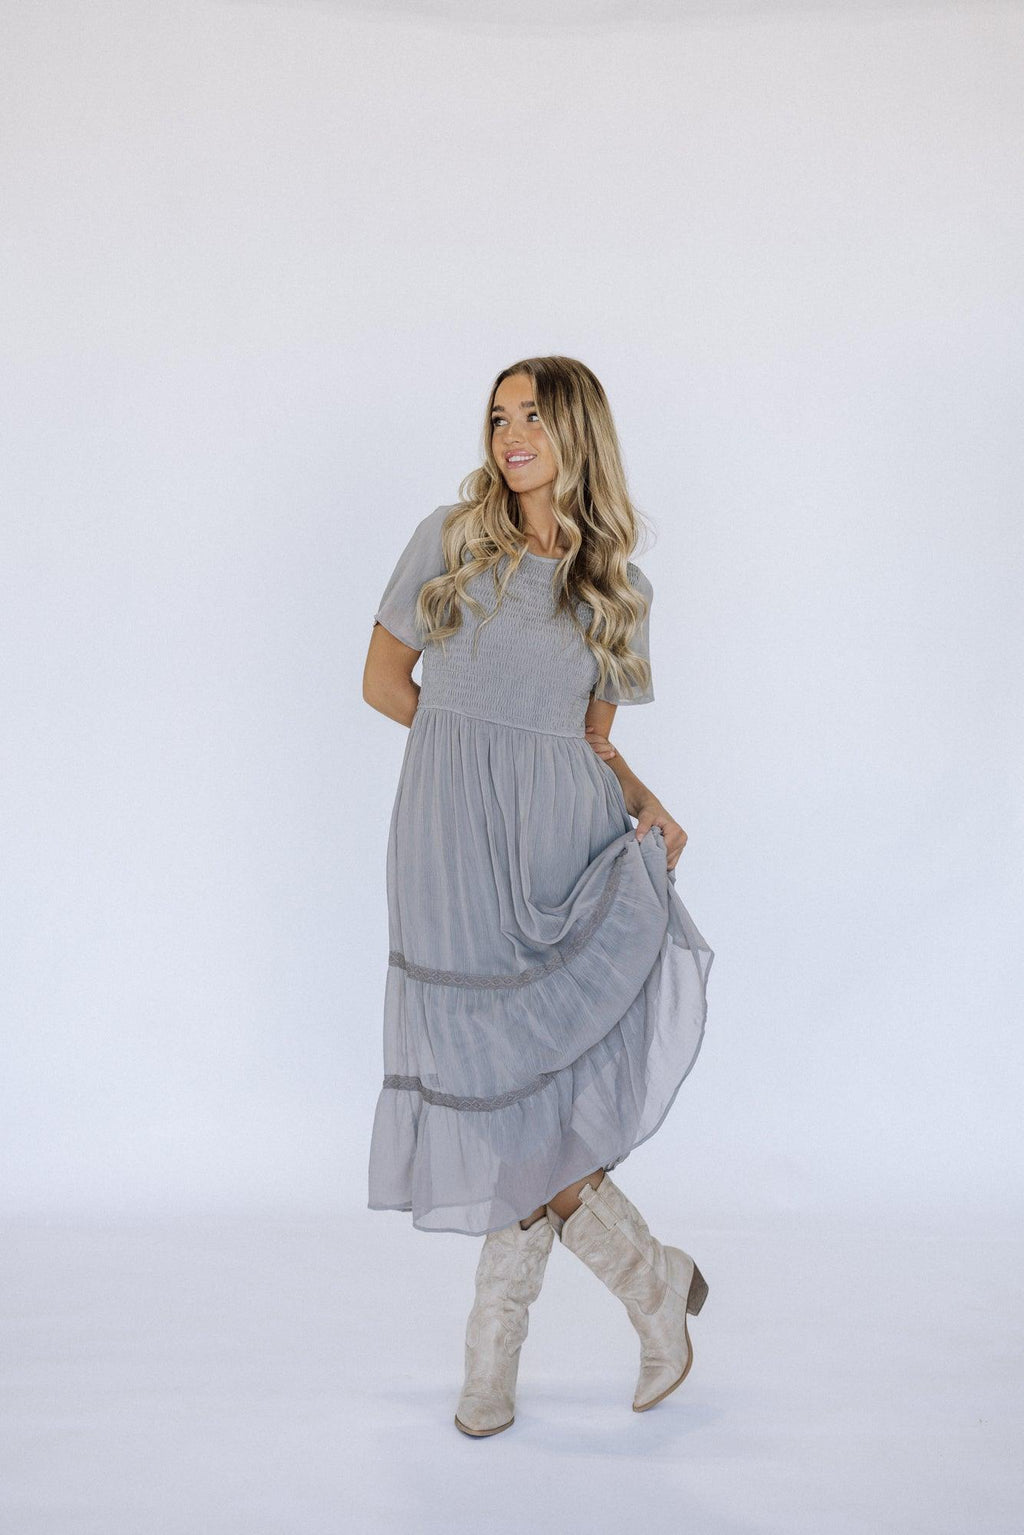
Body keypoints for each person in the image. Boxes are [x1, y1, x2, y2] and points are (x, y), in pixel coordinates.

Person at [362, 355, 714, 1436]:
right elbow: (384, 682)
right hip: (449, 848)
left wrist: (650, 805)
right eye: (498, 415)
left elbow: (590, 741)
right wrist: (471, 758)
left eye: (533, 415)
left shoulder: (617, 588)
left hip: (562, 844)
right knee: (496, 1085)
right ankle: (653, 1283)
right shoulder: (450, 538)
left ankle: (495, 1356)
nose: (510, 434)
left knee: (535, 1107)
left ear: (576, 432)